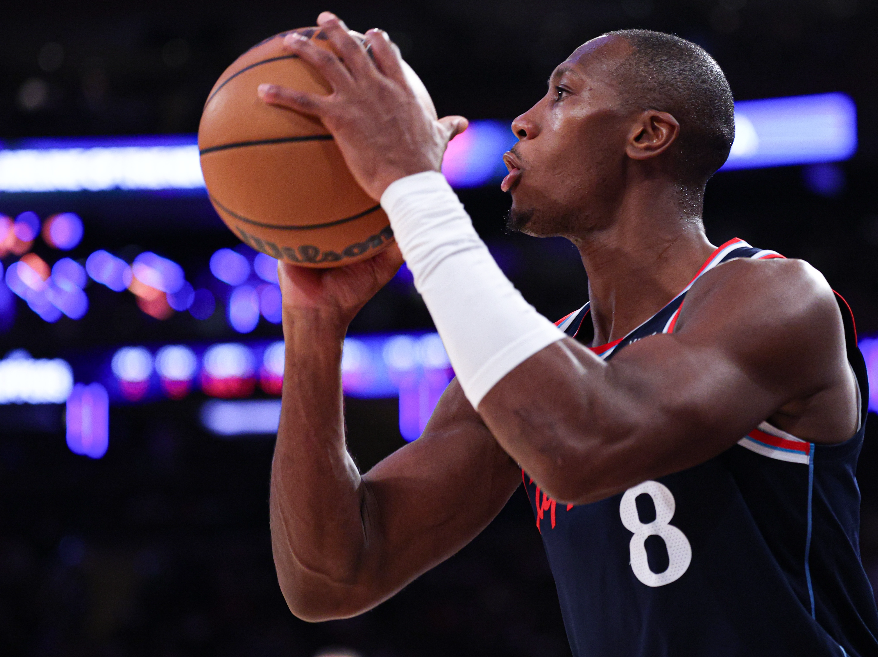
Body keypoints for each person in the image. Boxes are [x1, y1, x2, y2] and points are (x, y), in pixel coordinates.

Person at [258, 11, 878, 656]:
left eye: (561, 93)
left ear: (647, 134)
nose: (523, 121)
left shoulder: (774, 295)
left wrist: (412, 190)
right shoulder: (535, 370)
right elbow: (330, 578)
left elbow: (586, 444)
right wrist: (313, 325)